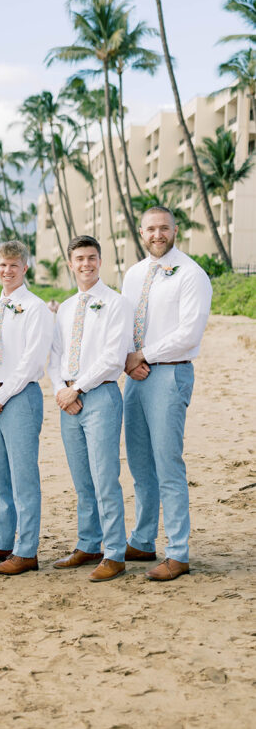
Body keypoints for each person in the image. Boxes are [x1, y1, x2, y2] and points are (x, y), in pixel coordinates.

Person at [122, 206, 212, 581]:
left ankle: (178, 552)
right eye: (150, 229)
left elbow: (189, 334)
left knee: (167, 465)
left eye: (164, 228)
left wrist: (144, 354)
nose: (157, 234)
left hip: (169, 375)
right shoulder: (133, 274)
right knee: (140, 465)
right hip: (134, 376)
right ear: (141, 233)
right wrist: (128, 361)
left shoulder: (191, 274)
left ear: (175, 230)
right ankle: (143, 540)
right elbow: (124, 323)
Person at [0, 241, 53, 575]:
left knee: (23, 478)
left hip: (20, 398)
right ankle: (1, 542)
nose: (7, 271)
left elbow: (32, 360)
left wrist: (2, 395)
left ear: (24, 268)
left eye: (13, 266)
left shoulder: (35, 308)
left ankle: (26, 550)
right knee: (2, 478)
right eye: (2, 265)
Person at [49, 236, 131, 582]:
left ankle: (114, 553)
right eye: (80, 258)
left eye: (92, 258)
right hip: (68, 401)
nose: (86, 264)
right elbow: (53, 355)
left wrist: (78, 387)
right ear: (71, 264)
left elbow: (113, 357)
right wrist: (60, 390)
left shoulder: (116, 303)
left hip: (100, 396)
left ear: (101, 261)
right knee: (82, 479)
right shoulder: (66, 307)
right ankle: (88, 543)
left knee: (104, 477)